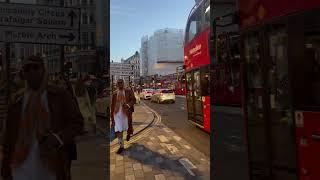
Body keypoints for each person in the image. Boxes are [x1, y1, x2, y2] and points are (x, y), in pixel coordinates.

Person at [1, 56, 83, 180]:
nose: (31, 72)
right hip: (20, 169)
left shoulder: (59, 95)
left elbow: (77, 122)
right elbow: (8, 138)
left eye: (35, 67)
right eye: (27, 69)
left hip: (51, 168)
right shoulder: (16, 101)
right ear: (23, 73)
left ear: (43, 70)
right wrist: (5, 168)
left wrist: (58, 138)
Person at [111, 79, 136, 154]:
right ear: (117, 84)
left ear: (123, 83)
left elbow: (133, 100)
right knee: (119, 130)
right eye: (118, 83)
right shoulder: (115, 93)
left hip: (126, 113)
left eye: (121, 83)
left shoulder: (128, 91)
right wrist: (112, 116)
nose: (119, 84)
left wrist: (128, 105)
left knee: (128, 127)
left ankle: (128, 133)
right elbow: (112, 105)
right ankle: (121, 146)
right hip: (117, 114)